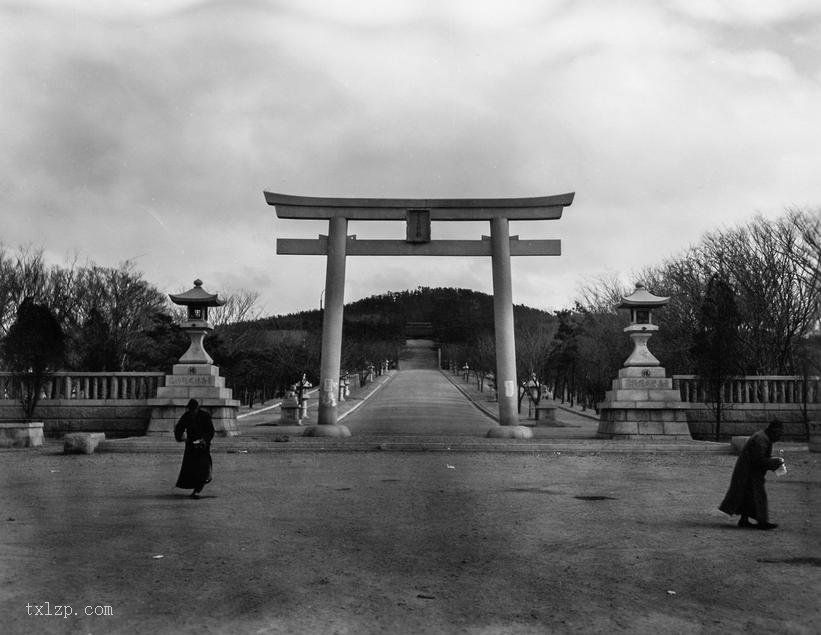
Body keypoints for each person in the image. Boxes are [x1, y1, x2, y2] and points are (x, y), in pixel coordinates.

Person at [719, 419, 785, 530]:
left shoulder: (763, 437)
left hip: (748, 470)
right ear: (773, 430)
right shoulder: (761, 439)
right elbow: (758, 460)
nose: (779, 437)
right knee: (758, 495)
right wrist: (774, 463)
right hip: (749, 471)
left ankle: (744, 520)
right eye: (779, 434)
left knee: (747, 495)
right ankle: (762, 522)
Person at [174, 399, 215, 499]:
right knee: (191, 468)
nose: (192, 411)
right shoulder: (187, 415)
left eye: (193, 409)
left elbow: (210, 431)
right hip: (191, 446)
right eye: (190, 409)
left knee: (202, 467)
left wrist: (204, 440)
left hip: (202, 446)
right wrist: (181, 437)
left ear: (197, 408)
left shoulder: (204, 416)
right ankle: (196, 487)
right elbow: (179, 428)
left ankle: (198, 489)